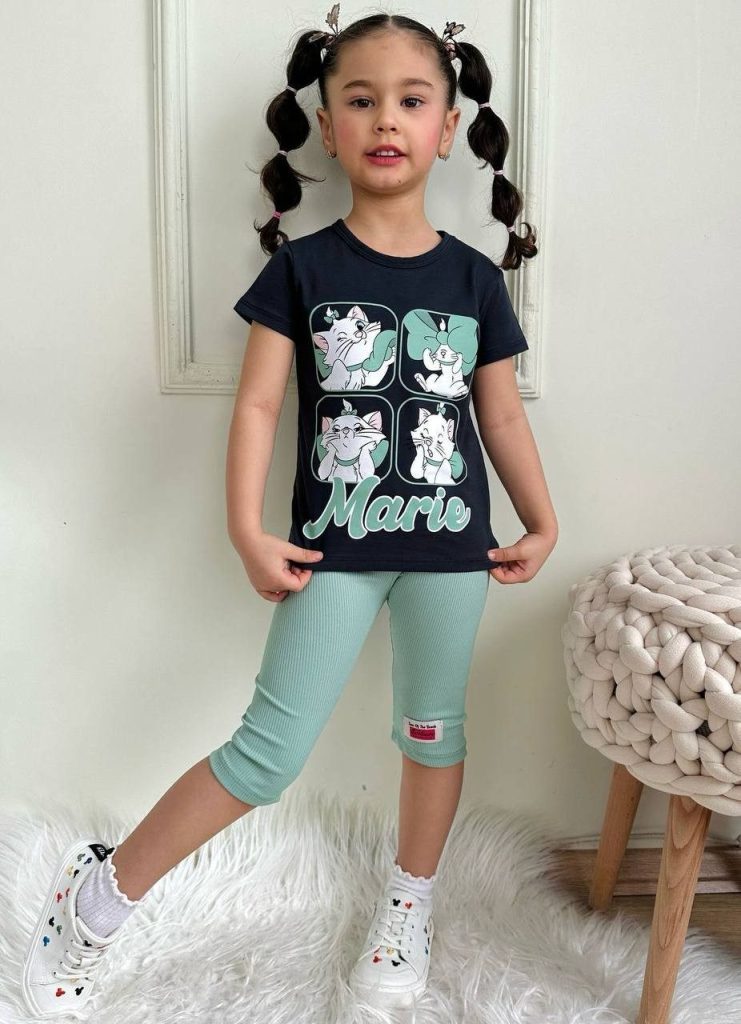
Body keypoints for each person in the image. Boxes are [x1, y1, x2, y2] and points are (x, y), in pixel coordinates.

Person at [21, 6, 558, 1016]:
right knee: (266, 754)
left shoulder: (473, 279)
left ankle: (407, 908)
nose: (386, 118)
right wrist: (246, 529)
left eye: (411, 100)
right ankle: (96, 897)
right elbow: (259, 407)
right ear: (327, 126)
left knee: (433, 733)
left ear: (447, 127)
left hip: (453, 554)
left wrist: (542, 519)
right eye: (361, 99)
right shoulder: (302, 270)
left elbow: (499, 415)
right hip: (333, 554)